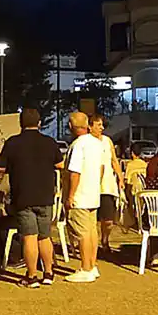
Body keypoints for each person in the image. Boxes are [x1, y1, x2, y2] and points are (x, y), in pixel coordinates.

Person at [0, 109, 64, 287]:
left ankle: (32, 276)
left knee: (29, 237)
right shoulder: (49, 142)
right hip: (45, 196)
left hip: (23, 196)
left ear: (21, 123)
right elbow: (60, 164)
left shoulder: (12, 143)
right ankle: (48, 273)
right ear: (39, 123)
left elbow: (0, 169)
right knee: (44, 236)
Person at [64, 112, 106, 283]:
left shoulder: (77, 144)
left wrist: (70, 195)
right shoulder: (97, 143)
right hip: (93, 193)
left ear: (70, 125)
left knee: (81, 233)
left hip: (80, 195)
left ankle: (85, 268)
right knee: (91, 231)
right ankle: (92, 265)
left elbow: (75, 172)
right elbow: (102, 168)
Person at [90, 114, 124, 252]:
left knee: (108, 219)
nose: (101, 128)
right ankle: (90, 244)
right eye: (98, 125)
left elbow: (114, 160)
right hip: (91, 185)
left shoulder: (107, 141)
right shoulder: (86, 142)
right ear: (90, 126)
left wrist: (120, 178)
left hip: (107, 185)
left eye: (102, 125)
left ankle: (105, 239)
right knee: (91, 219)